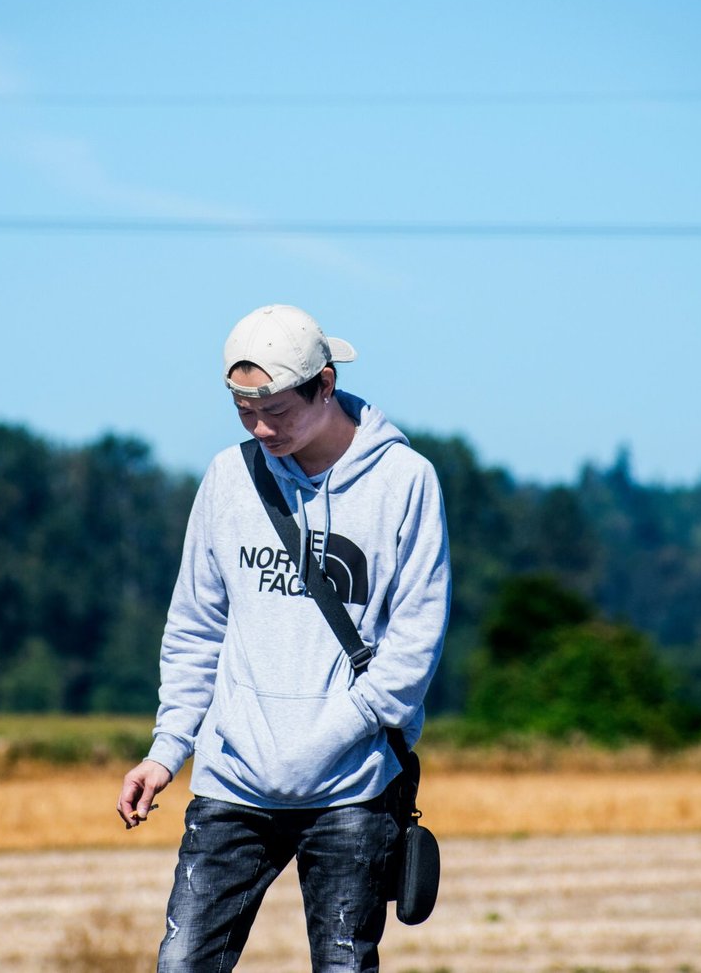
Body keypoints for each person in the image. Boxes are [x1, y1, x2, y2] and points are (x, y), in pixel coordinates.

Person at [117, 303, 452, 971]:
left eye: (276, 408)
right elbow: (195, 626)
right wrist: (166, 749)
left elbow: (414, 645)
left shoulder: (405, 482)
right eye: (244, 410)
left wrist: (327, 737)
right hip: (231, 784)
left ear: (324, 385)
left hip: (351, 787)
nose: (261, 427)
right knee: (181, 963)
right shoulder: (227, 478)